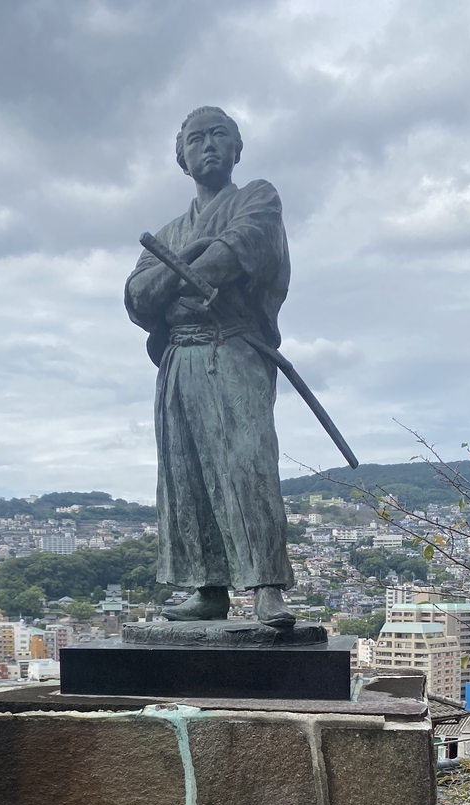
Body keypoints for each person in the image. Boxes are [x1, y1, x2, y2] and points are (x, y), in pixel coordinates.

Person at [124, 106, 295, 628]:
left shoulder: (257, 198)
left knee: (248, 464)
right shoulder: (169, 230)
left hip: (234, 351)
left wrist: (183, 272)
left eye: (219, 135)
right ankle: (208, 586)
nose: (208, 145)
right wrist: (189, 273)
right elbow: (136, 298)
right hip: (179, 363)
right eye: (196, 139)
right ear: (183, 157)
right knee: (187, 474)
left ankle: (267, 587)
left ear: (236, 148)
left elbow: (239, 250)